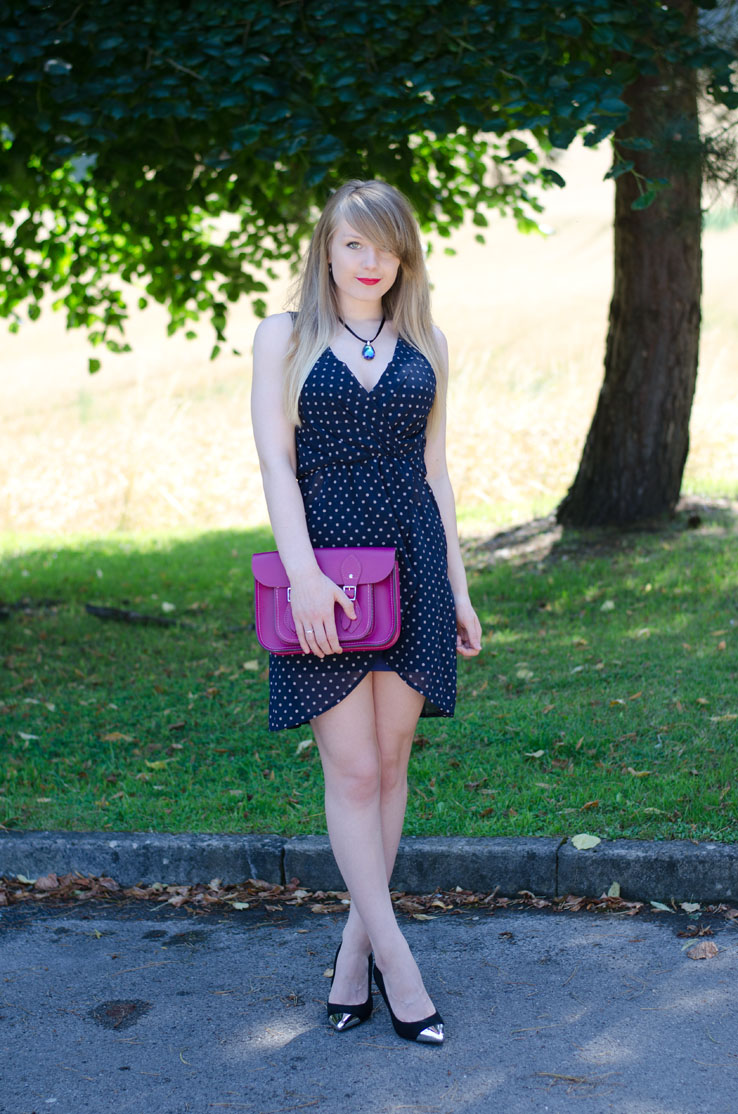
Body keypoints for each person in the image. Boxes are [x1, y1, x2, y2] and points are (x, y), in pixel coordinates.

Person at [251, 179, 482, 1044]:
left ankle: (354, 960)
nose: (370, 259)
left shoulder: (427, 341)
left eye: (385, 244)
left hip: (416, 565)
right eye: (354, 243)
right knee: (350, 772)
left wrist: (459, 588)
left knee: (390, 766)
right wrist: (303, 576)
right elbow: (277, 464)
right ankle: (399, 964)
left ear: (403, 254)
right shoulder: (284, 337)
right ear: (327, 249)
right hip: (329, 577)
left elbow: (437, 472)